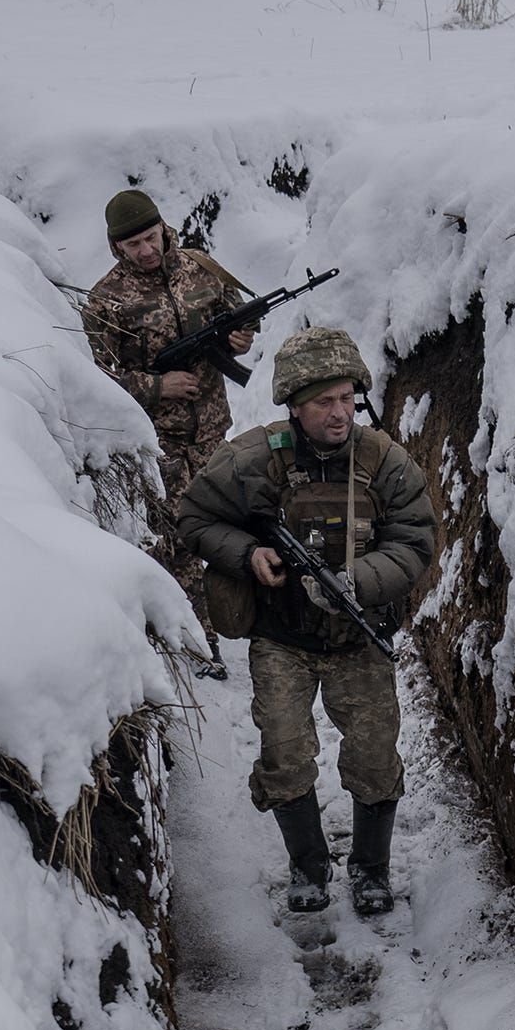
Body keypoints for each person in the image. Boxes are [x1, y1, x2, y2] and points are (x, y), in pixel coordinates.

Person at [177, 327, 436, 915]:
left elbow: (417, 537)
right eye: (325, 403)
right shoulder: (252, 458)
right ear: (295, 405)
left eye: (347, 398)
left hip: (357, 637)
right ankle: (308, 868)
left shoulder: (383, 460)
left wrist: (357, 583)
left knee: (374, 757)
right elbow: (194, 516)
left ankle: (370, 871)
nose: (340, 413)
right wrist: (248, 555)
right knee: (285, 755)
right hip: (281, 640)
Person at [82, 188, 252, 675]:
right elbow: (96, 379)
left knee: (225, 525)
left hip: (213, 429)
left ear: (163, 227)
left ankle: (239, 615)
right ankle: (198, 647)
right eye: (133, 244)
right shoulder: (105, 300)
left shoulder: (200, 268)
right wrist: (157, 387)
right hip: (159, 442)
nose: (146, 250)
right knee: (177, 541)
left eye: (151, 237)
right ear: (117, 247)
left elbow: (234, 317)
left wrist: (239, 339)